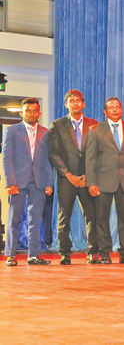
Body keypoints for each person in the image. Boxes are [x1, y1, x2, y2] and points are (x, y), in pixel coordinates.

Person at [85, 97, 124, 264]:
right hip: (102, 181)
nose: (115, 110)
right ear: (105, 111)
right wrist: (91, 182)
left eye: (118, 107)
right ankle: (105, 252)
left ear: (122, 110)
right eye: (111, 108)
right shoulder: (95, 129)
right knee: (101, 219)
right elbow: (90, 158)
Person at [48, 89, 99, 265]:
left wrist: (87, 175)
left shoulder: (94, 124)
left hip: (87, 179)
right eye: (71, 101)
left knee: (92, 216)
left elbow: (97, 153)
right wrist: (68, 174)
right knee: (64, 216)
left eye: (78, 101)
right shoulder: (57, 124)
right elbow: (54, 153)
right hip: (66, 179)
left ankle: (92, 251)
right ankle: (65, 252)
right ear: (66, 104)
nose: (75, 103)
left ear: (83, 104)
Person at [2, 98, 54, 266]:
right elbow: (7, 159)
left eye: (35, 111)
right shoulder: (11, 131)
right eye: (28, 111)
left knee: (35, 220)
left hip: (38, 182)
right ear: (21, 113)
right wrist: (10, 182)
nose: (32, 114)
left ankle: (33, 255)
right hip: (17, 181)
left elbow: (48, 160)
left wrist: (49, 183)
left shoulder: (46, 133)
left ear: (39, 113)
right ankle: (10, 254)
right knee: (14, 219)